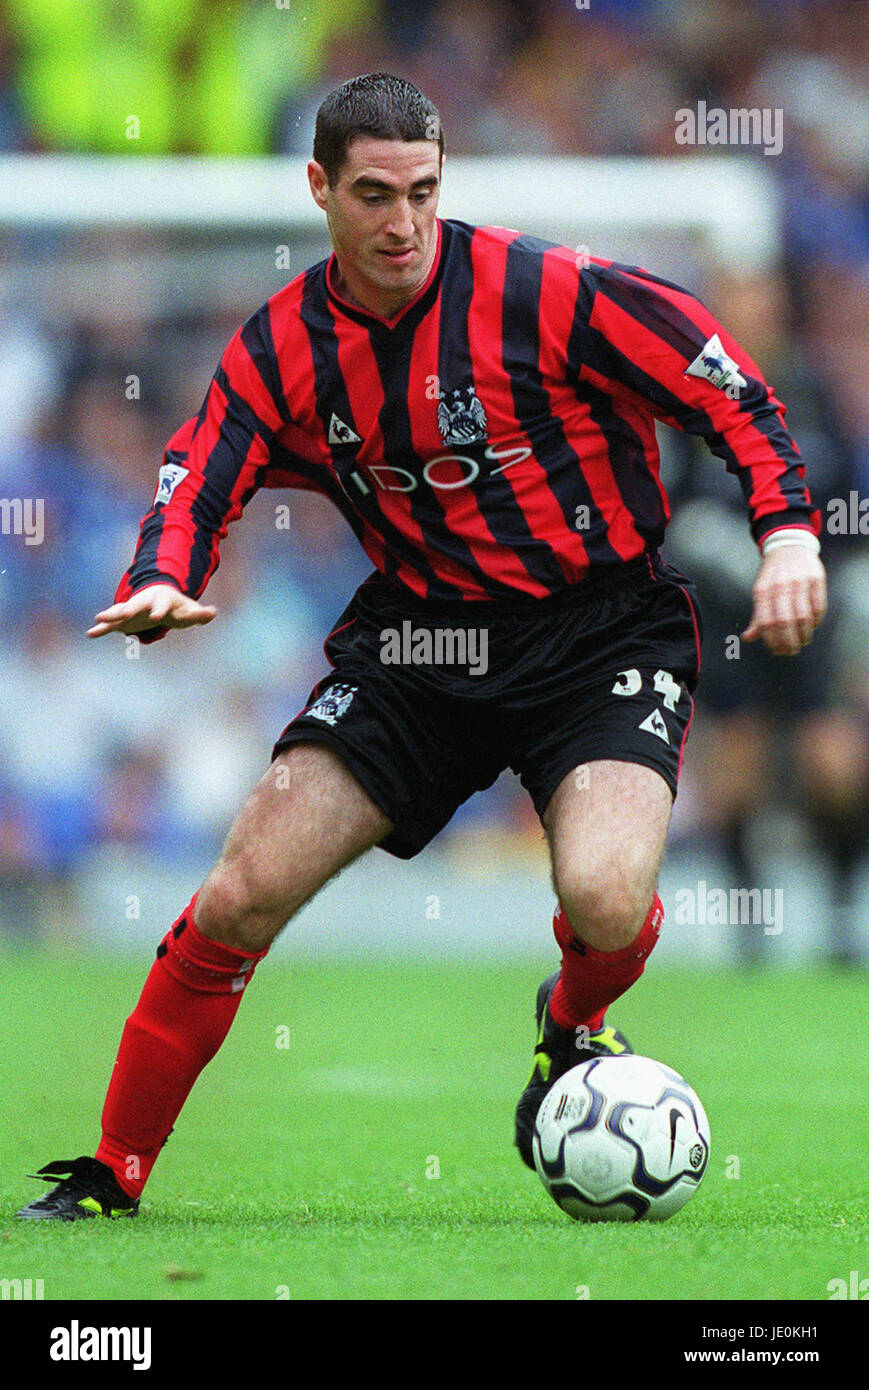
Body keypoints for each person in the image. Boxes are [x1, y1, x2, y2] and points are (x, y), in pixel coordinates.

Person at [17, 72, 827, 1220]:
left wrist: (788, 534)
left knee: (603, 896)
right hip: (421, 641)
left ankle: (565, 1025)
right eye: (372, 194)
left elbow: (730, 389)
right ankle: (111, 1169)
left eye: (422, 191)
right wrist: (161, 576)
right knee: (243, 887)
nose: (401, 222)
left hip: (599, 631)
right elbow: (199, 470)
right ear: (318, 190)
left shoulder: (547, 289)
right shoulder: (284, 344)